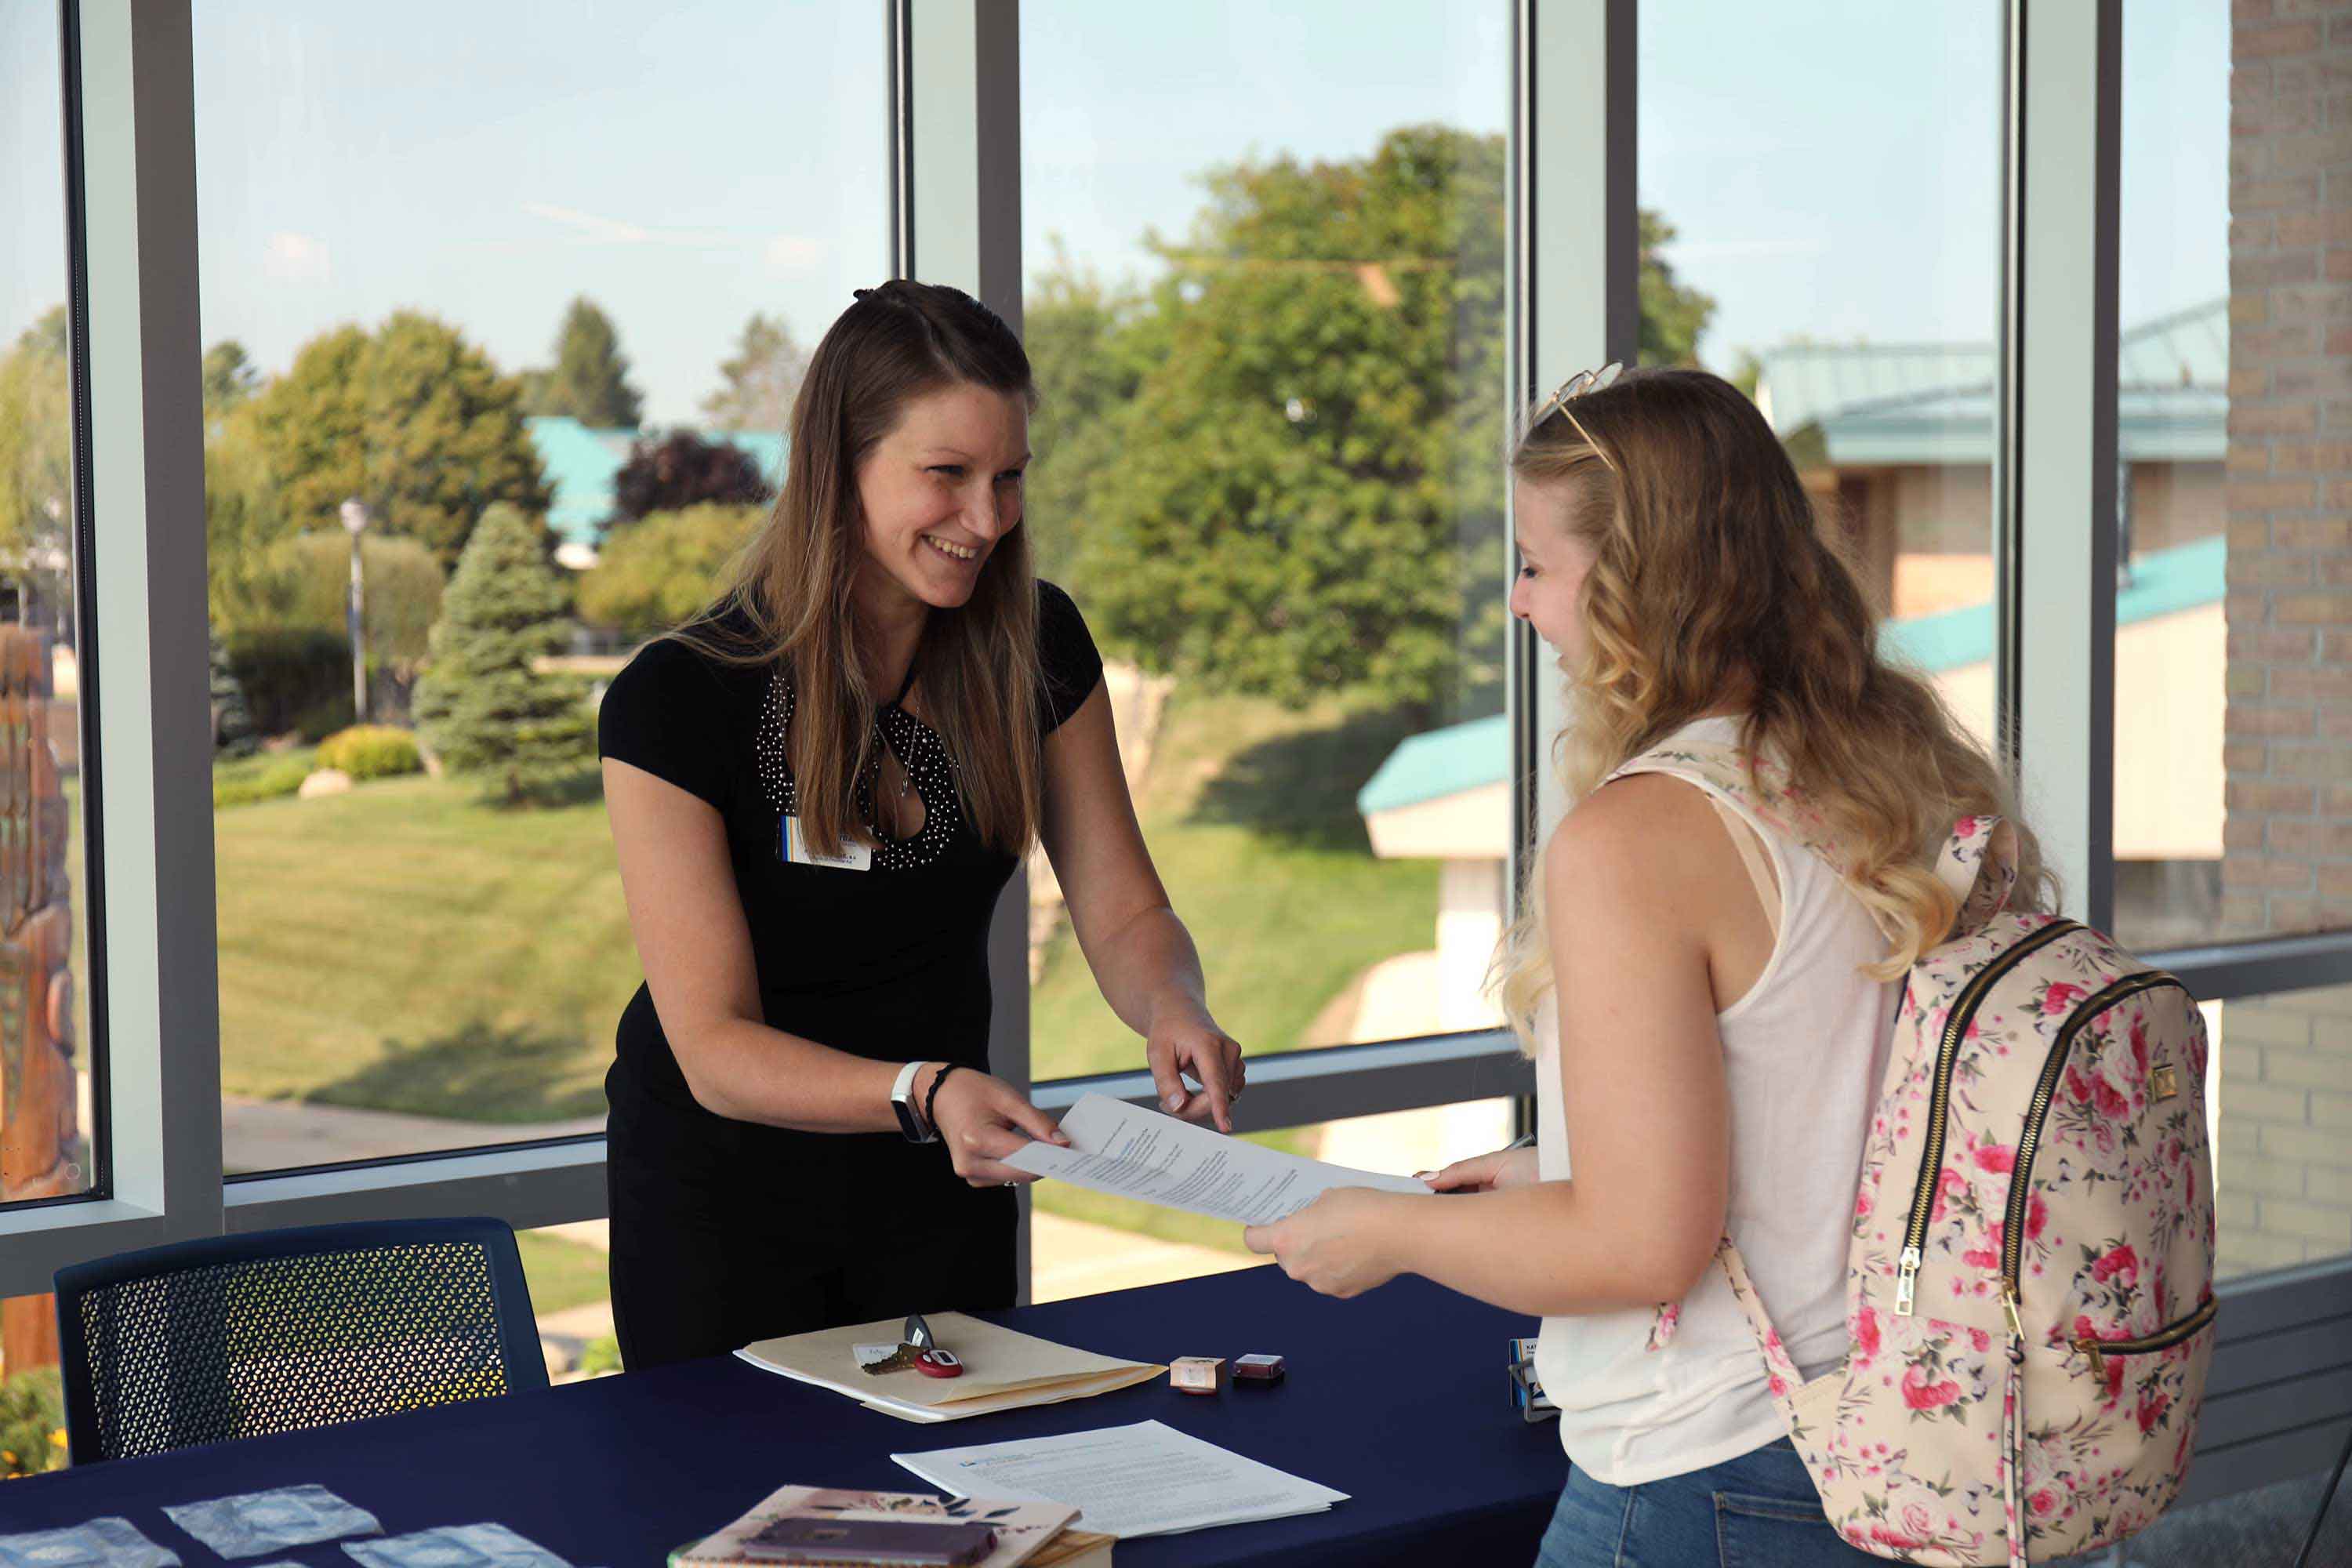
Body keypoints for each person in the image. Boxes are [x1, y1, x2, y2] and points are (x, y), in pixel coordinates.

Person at [1242, 365, 2055, 1566]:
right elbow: (1849, 1104)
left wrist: (1390, 1234)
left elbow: (1639, 1247)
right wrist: (1558, 1160)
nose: (1520, 603)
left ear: (1631, 588)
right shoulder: (1896, 777)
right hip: (1921, 1427)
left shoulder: (1635, 837)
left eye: (1536, 564)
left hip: (1719, 1468)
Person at [597, 280, 1245, 1370]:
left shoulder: (1035, 646)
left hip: (949, 1176)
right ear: (836, 468)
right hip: (729, 1206)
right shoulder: (680, 698)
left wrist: (1173, 1002)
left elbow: (1126, 906)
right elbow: (713, 1049)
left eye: (1009, 480)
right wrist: (921, 1090)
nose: (987, 521)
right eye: (945, 476)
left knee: (972, 1511)